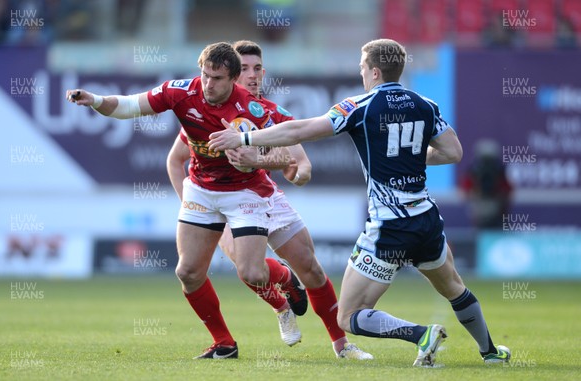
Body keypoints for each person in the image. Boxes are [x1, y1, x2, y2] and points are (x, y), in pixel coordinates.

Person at [209, 38, 511, 367]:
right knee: (454, 287)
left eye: (363, 68)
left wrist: (245, 137)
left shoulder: (359, 106)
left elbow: (303, 129)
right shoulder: (425, 104)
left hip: (389, 228)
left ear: (375, 72)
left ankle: (420, 334)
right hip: (426, 219)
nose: (362, 73)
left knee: (348, 316)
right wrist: (406, 157)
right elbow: (453, 152)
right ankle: (490, 351)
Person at [66, 42, 309, 360]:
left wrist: (258, 156)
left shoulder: (252, 109)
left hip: (244, 192)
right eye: (205, 75)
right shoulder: (182, 92)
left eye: (218, 78)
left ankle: (285, 277)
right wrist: (94, 100)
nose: (208, 84)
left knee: (252, 273)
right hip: (201, 189)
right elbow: (128, 106)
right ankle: (224, 343)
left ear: (233, 79)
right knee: (188, 272)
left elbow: (290, 153)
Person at [167, 40, 372, 359]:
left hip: (264, 196)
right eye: (244, 68)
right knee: (248, 269)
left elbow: (301, 170)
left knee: (312, 269)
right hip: (219, 202)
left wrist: (257, 160)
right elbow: (175, 160)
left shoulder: (274, 116)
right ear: (231, 75)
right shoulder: (208, 112)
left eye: (257, 68)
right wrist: (193, 208)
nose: (252, 75)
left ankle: (341, 344)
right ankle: (277, 307)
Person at [460, 139, 512, 230]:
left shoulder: (499, 170)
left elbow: (508, 191)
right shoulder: (474, 171)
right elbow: (465, 190)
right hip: (479, 207)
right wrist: (476, 194)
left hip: (497, 211)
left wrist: (499, 198)